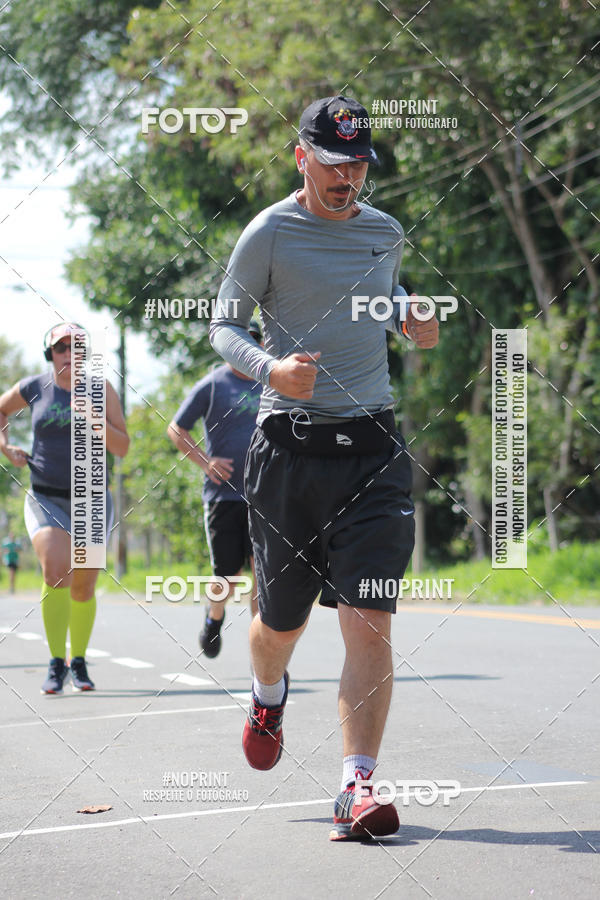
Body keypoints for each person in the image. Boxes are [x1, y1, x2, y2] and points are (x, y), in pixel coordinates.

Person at [210, 96, 439, 841]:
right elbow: (224, 324)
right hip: (288, 456)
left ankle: (356, 787)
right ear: (301, 157)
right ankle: (267, 694)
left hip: (371, 451)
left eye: (360, 164)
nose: (348, 179)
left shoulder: (385, 230)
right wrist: (270, 368)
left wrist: (410, 313)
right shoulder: (269, 232)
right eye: (335, 165)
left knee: (370, 620)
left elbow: (379, 296)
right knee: (278, 626)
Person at [0, 323, 129, 694]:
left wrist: (95, 419)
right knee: (57, 568)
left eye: (77, 347)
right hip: (46, 495)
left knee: (84, 582)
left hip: (91, 497)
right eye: (61, 348)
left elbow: (122, 447)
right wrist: (6, 447)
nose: (69, 354)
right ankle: (56, 662)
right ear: (50, 354)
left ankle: (80, 661)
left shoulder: (102, 390)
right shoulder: (34, 386)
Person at [167, 320, 263, 657]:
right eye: (240, 341)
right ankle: (214, 616)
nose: (248, 347)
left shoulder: (271, 383)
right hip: (224, 496)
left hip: (264, 496)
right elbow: (177, 429)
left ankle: (262, 654)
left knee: (261, 572)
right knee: (229, 576)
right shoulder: (212, 385)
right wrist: (206, 461)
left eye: (254, 340)